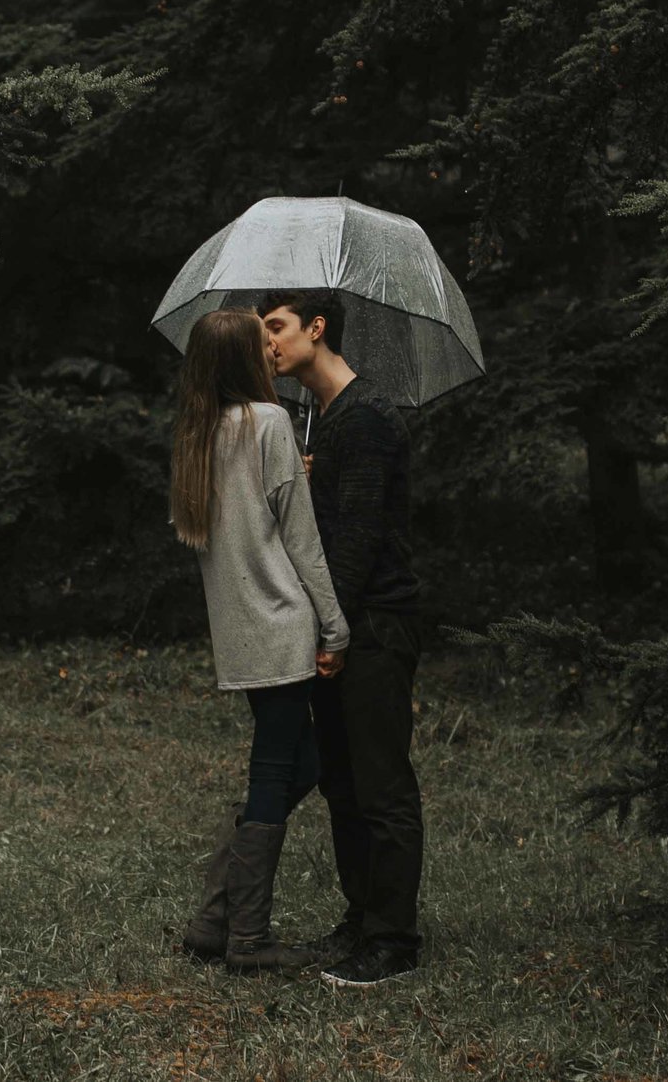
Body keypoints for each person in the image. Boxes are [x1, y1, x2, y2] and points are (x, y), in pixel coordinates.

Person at [168, 306, 350, 972]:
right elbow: (301, 542)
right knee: (279, 771)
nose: (272, 346)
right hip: (281, 625)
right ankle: (246, 939)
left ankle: (215, 919)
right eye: (261, 339)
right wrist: (336, 625)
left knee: (297, 766)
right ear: (244, 359)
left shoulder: (198, 434)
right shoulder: (269, 423)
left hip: (242, 634)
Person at [258, 289, 425, 989]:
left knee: (382, 785)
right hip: (337, 622)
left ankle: (393, 939)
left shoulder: (367, 419)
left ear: (316, 329)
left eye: (277, 328)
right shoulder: (318, 420)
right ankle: (360, 918)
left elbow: (356, 539)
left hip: (374, 622)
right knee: (343, 782)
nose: (267, 343)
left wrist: (338, 629)